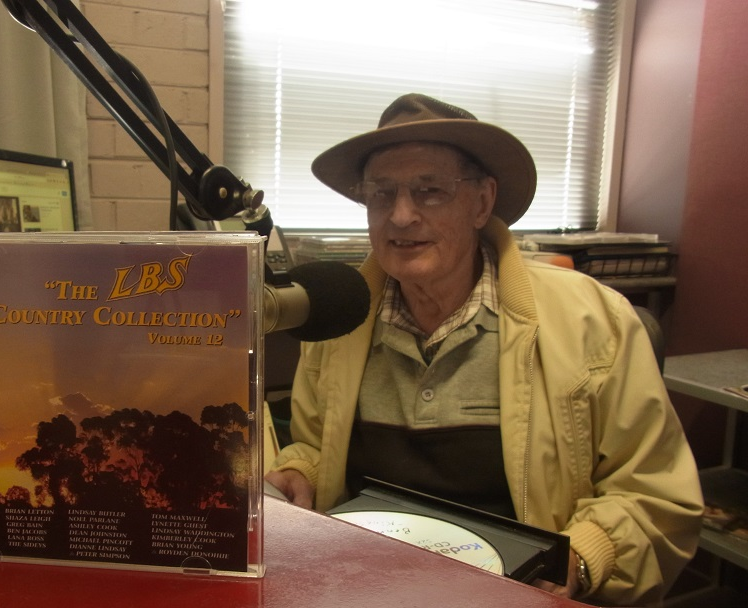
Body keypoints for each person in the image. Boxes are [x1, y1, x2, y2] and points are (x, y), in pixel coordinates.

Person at [265, 93, 703, 605]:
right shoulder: (341, 321)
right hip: (368, 585)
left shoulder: (595, 321)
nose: (401, 215)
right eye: (382, 194)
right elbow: (317, 445)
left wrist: (581, 555)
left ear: (481, 202)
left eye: (430, 191)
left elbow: (654, 497)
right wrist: (302, 471)